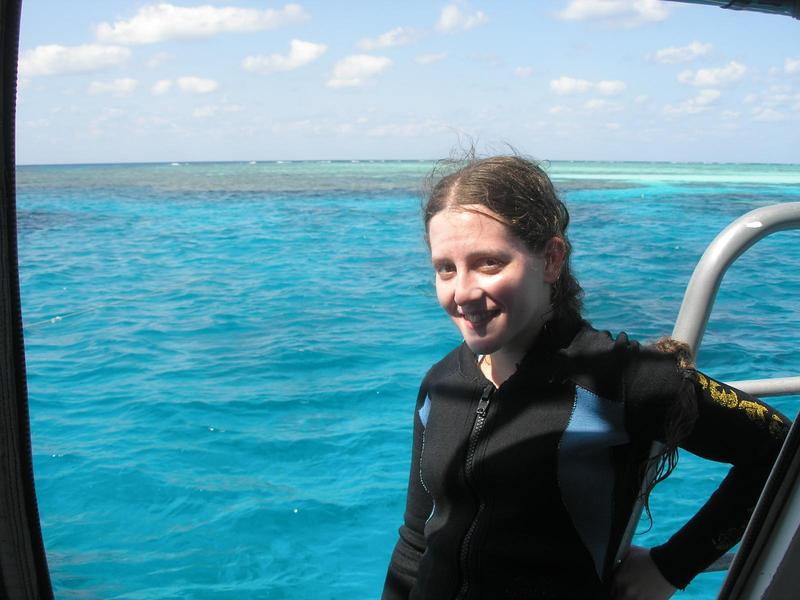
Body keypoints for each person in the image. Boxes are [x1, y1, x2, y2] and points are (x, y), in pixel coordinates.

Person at [381, 154, 791, 600]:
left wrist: (673, 565)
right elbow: (417, 539)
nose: (462, 292)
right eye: (446, 267)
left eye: (489, 263)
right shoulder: (440, 384)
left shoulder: (621, 377)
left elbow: (779, 447)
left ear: (551, 259)